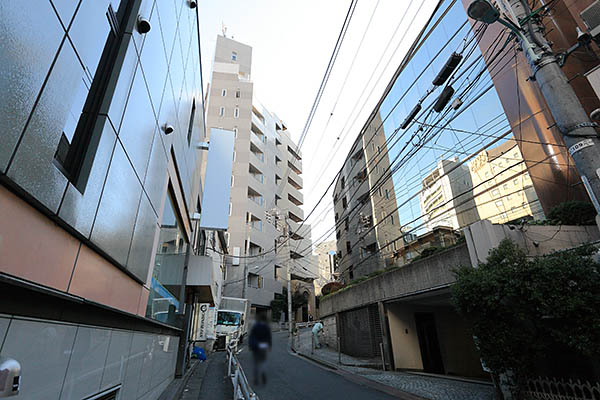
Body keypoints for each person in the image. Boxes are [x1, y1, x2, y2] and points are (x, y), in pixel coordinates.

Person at [248, 314, 271, 385]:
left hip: (256, 346)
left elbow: (251, 336)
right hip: (263, 346)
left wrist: (250, 346)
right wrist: (270, 346)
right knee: (263, 361)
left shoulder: (255, 327)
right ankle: (263, 374)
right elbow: (269, 337)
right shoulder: (266, 327)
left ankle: (256, 379)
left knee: (256, 362)